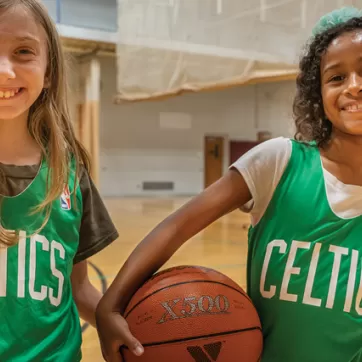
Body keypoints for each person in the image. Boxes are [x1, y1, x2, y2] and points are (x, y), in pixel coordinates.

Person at [96, 6, 362, 362]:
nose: (353, 86)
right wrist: (110, 306)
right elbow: (176, 226)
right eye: (336, 77)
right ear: (318, 91)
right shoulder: (279, 161)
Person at [0, 0, 118, 360]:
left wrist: (121, 324)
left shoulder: (70, 170)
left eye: (23, 51)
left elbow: (79, 287)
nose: (5, 70)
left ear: (48, 70)